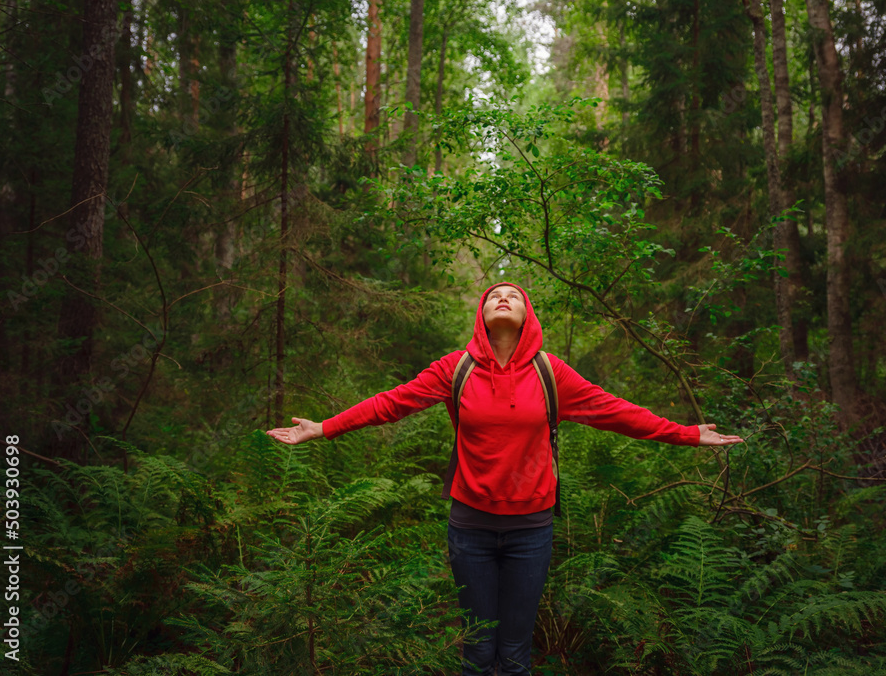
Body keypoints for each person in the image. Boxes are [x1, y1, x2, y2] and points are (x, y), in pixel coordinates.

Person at [267, 282, 743, 675]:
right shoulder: (456, 369)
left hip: (531, 530)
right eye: (493, 294)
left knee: (515, 655)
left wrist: (685, 434)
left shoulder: (549, 371)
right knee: (476, 650)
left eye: (513, 295)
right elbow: (392, 403)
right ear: (481, 313)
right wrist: (323, 427)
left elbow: (615, 411)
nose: (502, 297)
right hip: (470, 527)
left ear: (527, 315)